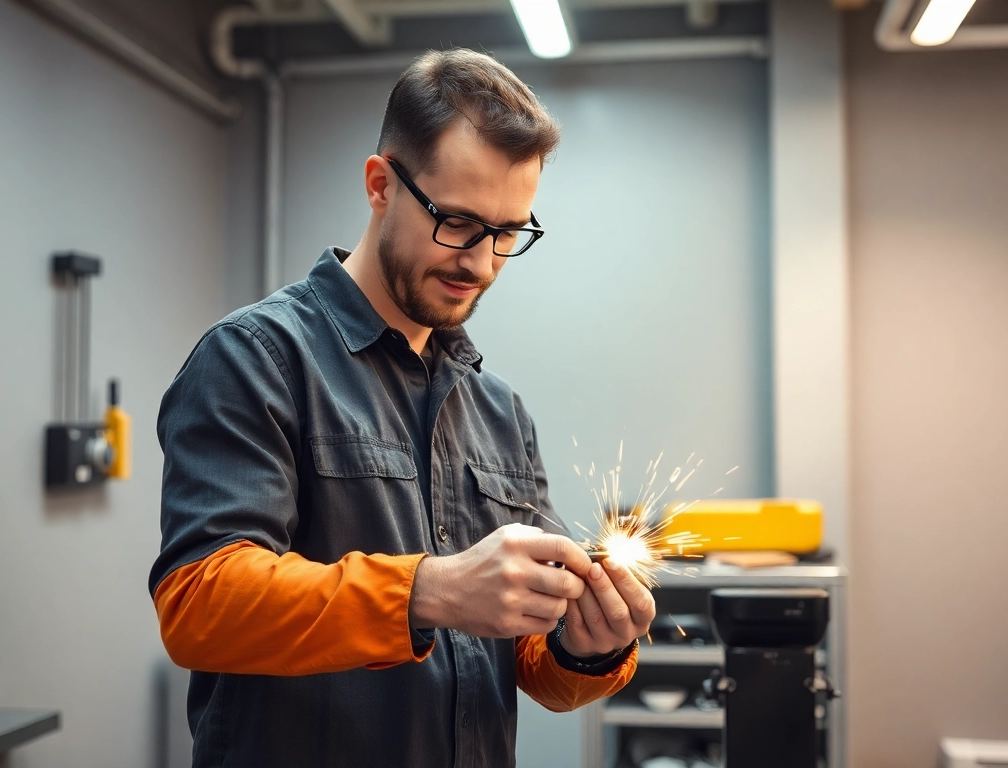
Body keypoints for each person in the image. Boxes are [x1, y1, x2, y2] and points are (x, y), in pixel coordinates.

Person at [148, 48, 656, 767]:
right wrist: (428, 591)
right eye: (457, 222)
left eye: (508, 233)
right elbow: (199, 605)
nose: (480, 263)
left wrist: (586, 645)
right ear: (380, 184)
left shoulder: (499, 411)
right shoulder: (256, 358)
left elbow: (534, 666)